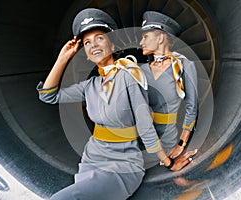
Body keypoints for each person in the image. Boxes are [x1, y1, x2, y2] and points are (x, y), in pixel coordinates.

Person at [36, 8, 191, 200]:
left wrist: (168, 163)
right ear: (85, 53)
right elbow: (48, 96)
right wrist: (63, 58)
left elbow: (144, 126)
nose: (94, 45)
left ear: (113, 44)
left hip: (123, 165)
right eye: (87, 42)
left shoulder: (129, 76)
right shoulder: (90, 86)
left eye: (100, 38)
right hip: (92, 159)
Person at [139, 11, 198, 168]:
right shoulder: (139, 70)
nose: (140, 42)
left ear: (160, 38)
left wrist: (181, 144)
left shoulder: (183, 66)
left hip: (167, 142)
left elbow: (192, 108)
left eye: (145, 37)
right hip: (137, 140)